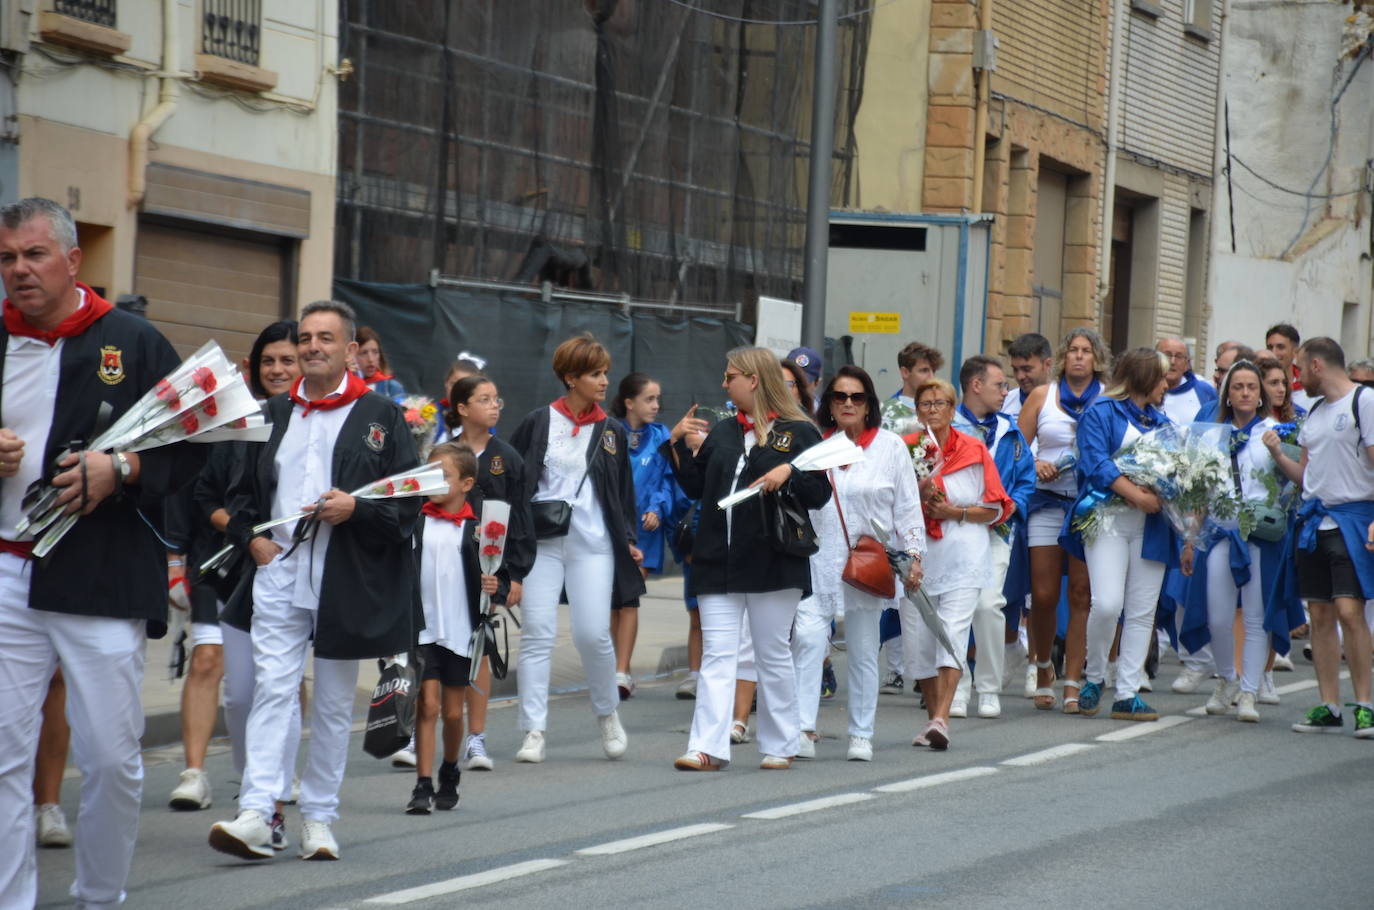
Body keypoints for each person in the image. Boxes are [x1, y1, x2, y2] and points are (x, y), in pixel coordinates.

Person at [0, 197, 200, 907]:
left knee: (113, 761)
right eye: (7, 258)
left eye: (34, 255)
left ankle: (99, 898)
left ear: (73, 260)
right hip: (5, 569)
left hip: (102, 575)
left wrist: (127, 471)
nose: (19, 271)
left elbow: (196, 448)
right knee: (2, 758)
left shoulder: (134, 341)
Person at [209, 300, 421, 861]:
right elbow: (241, 495)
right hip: (277, 572)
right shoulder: (272, 413)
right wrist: (253, 541)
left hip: (347, 575)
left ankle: (320, 817)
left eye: (326, 338)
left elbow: (408, 502)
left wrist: (357, 508)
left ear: (351, 350)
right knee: (272, 690)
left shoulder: (381, 414)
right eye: (306, 338)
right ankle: (257, 809)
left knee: (329, 702)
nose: (312, 348)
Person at [665, 347, 830, 770]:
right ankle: (707, 747)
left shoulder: (798, 431)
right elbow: (696, 487)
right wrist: (676, 442)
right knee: (718, 655)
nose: (724, 383)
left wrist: (789, 472)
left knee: (771, 651)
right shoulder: (723, 431)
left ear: (754, 380)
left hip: (774, 558)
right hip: (717, 557)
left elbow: (820, 493)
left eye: (730, 375)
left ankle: (780, 743)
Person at [166, 320, 303, 815]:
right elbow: (201, 497)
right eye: (269, 360)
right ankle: (199, 774)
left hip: (288, 570)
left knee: (278, 683)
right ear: (253, 366)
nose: (278, 369)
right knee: (222, 674)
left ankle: (266, 782)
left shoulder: (314, 424)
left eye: (288, 359)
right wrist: (239, 538)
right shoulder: (234, 422)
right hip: (222, 564)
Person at [508, 334, 643, 764]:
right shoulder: (537, 422)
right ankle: (533, 730)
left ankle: (607, 714)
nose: (605, 381)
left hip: (594, 545)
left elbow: (622, 491)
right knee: (537, 636)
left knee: (591, 634)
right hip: (542, 545)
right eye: (595, 374)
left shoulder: (612, 431)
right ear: (570, 378)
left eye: (605, 372)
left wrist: (630, 540)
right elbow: (516, 482)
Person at [793, 365, 924, 761]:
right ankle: (802, 728)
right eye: (840, 397)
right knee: (808, 639)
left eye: (857, 397)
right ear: (829, 404)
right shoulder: (815, 445)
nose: (848, 403)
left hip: (868, 561)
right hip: (818, 557)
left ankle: (861, 734)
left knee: (865, 649)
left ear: (869, 404)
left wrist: (914, 555)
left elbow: (907, 508)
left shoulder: (890, 447)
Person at [1265, 337, 1374, 737]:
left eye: (1298, 367)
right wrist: (1280, 456)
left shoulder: (1365, 402)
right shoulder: (1313, 413)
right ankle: (1328, 705)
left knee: (1351, 610)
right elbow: (1307, 478)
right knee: (1322, 616)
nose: (1296, 376)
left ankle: (1365, 704)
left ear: (1316, 366)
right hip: (1313, 522)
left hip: (1353, 518)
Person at [904, 379, 1014, 749]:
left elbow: (996, 509)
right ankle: (934, 718)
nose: (933, 410)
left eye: (940, 403)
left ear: (953, 409)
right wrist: (917, 492)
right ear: (917, 411)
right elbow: (892, 503)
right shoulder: (906, 449)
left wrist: (954, 511)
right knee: (920, 642)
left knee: (950, 632)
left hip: (964, 550)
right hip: (918, 551)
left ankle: (941, 719)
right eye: (925, 404)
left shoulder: (974, 449)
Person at [1068, 348, 1174, 722]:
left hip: (1152, 525)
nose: (1166, 384)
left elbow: (1177, 470)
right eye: (1162, 377)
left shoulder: (1164, 422)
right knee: (1108, 603)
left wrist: (1170, 492)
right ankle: (1094, 677)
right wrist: (1138, 495)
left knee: (1143, 611)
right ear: (1145, 378)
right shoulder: (1101, 412)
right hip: (1108, 519)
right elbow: (1095, 462)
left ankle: (1127, 691)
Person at [1177, 360, 1287, 723]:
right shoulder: (1211, 437)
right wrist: (1191, 540)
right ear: (1227, 394)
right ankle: (1226, 678)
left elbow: (1294, 483)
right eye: (1237, 387)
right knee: (1218, 616)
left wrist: (1278, 452)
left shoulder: (1273, 432)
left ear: (1260, 395)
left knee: (1255, 617)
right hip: (1222, 534)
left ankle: (1249, 691)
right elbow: (1200, 495)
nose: (1244, 392)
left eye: (1251, 387)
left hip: (1259, 534)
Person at [407, 443, 503, 814]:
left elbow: (499, 574)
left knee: (451, 712)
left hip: (461, 631)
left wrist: (498, 586)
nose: (433, 481)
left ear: (466, 484)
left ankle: (449, 771)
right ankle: (421, 785)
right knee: (426, 705)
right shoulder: (414, 520)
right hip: (423, 629)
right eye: (428, 473)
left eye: (442, 476)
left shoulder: (481, 529)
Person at [1017, 327, 1109, 713]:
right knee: (1043, 594)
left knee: (1081, 595)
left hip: (1090, 505)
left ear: (1096, 359)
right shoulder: (1043, 396)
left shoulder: (1108, 400)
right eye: (1072, 350)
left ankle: (1073, 680)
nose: (1078, 357)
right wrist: (1035, 462)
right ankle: (1042, 667)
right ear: (1062, 356)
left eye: (1086, 351)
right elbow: (1016, 447)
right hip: (1047, 500)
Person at [443, 372, 532, 770]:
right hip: (440, 561)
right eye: (484, 399)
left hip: (486, 568)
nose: (494, 405)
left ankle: (475, 737)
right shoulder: (440, 456)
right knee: (433, 645)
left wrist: (515, 574)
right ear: (462, 408)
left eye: (497, 399)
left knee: (478, 644)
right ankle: (420, 730)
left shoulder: (507, 459)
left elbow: (521, 518)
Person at [952, 356, 1036, 718]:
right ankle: (955, 688)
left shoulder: (1010, 430)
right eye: (999, 385)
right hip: (952, 529)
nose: (1006, 392)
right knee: (953, 612)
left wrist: (1013, 507)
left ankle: (988, 686)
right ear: (975, 386)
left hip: (996, 531)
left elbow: (1026, 478)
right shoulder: (947, 425)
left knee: (988, 606)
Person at [1155, 336, 1220, 694]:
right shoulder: (1145, 392)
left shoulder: (1205, 395)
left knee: (1184, 578)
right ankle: (1158, 642)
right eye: (1167, 355)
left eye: (1180, 356)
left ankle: (1196, 656)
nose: (1174, 361)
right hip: (1151, 498)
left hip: (1190, 502)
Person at [610, 373, 679, 700]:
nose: (655, 405)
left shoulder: (661, 435)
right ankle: (613, 666)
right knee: (612, 600)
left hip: (645, 529)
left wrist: (657, 508)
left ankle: (622, 671)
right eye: (649, 399)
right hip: (612, 527)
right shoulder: (609, 433)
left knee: (629, 596)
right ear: (629, 402)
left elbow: (668, 479)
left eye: (657, 399)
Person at [1158, 337, 1218, 424]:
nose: (1172, 362)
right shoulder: (1144, 389)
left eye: (1179, 356)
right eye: (1167, 355)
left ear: (1187, 363)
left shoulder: (1205, 391)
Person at [1003, 332, 1054, 421]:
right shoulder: (1004, 402)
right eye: (1015, 369)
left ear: (1047, 364)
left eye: (1027, 369)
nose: (1020, 377)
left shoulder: (1063, 403)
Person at [1265, 323, 1313, 412]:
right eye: (1270, 347)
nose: (1274, 352)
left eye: (1280, 347)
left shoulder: (1308, 389)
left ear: (1295, 352)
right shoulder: (1258, 386)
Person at [889, 341, 944, 413]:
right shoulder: (888, 412)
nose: (932, 377)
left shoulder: (943, 409)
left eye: (933, 371)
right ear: (905, 372)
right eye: (924, 370)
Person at [355, 325, 406, 397]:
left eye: (375, 352)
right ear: (352, 356)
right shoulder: (343, 387)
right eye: (364, 353)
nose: (370, 359)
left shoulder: (392, 387)